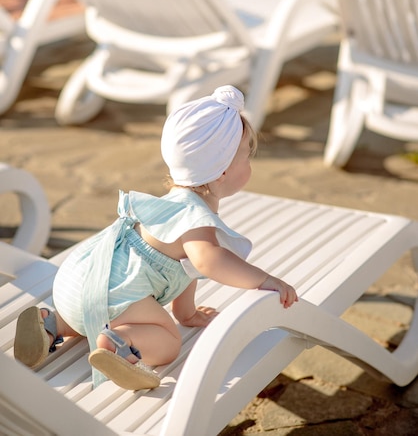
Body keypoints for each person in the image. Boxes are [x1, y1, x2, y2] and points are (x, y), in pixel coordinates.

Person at [14, 85, 298, 391]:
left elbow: (187, 267)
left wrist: (186, 312)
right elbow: (207, 260)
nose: (250, 165)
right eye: (246, 157)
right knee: (168, 342)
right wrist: (264, 280)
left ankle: (51, 325)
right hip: (110, 292)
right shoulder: (196, 220)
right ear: (222, 172)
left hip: (76, 282)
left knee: (94, 313)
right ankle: (121, 343)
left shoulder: (171, 203)